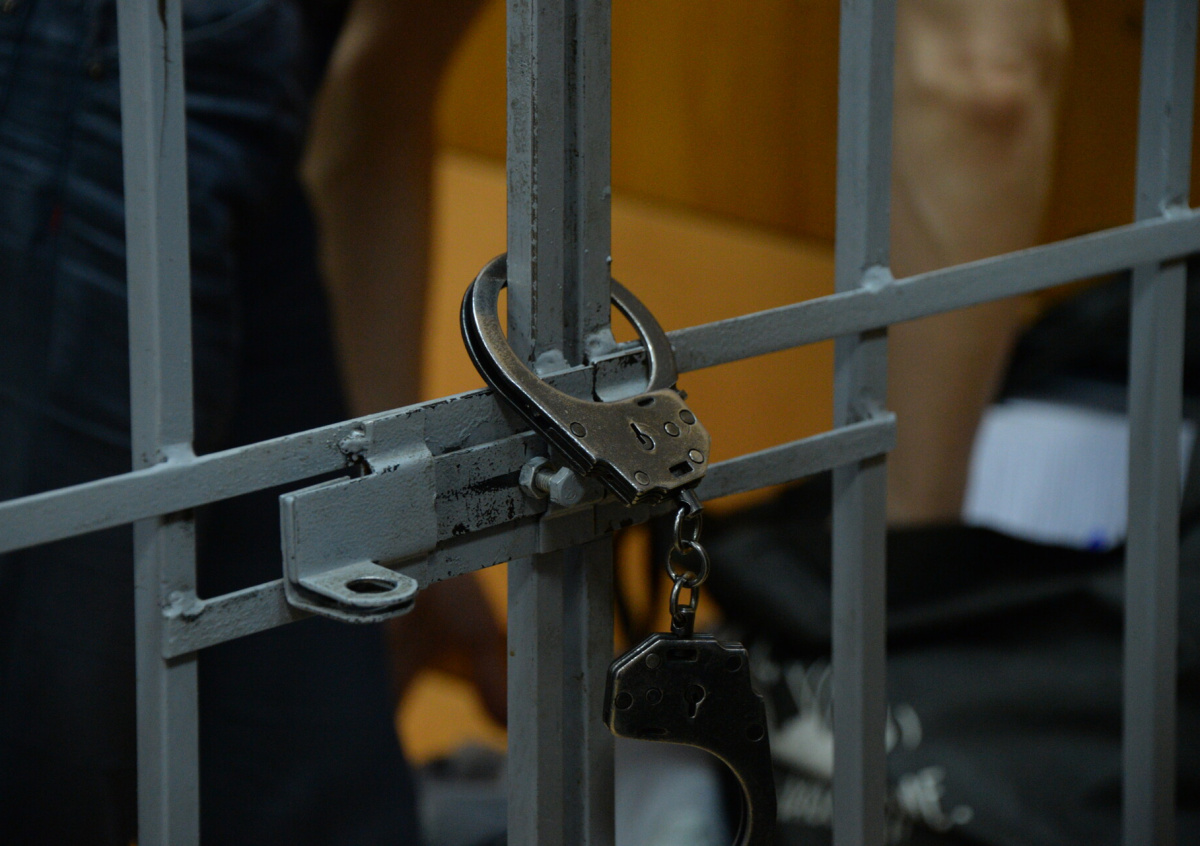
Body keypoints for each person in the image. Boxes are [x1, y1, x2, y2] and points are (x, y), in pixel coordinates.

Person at [0, 1, 503, 843]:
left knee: (322, 791)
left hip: (250, 88)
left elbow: (384, 70)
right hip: (87, 54)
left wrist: (396, 517)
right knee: (47, 767)